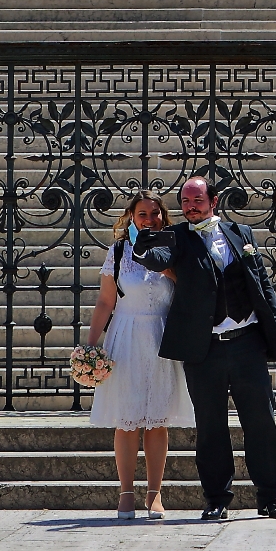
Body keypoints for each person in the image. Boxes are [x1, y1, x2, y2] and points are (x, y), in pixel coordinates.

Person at [135, 175, 276, 520]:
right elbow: (157, 259)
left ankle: (271, 497)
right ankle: (216, 499)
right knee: (210, 426)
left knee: (261, 422)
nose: (191, 207)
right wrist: (143, 244)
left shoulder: (241, 233)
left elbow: (262, 283)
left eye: (197, 200)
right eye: (185, 202)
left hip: (247, 342)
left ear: (213, 201)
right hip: (205, 349)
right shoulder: (177, 236)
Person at [83, 192, 194, 521]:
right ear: (131, 216)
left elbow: (191, 291)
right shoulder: (119, 251)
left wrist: (170, 269)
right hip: (126, 336)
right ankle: (126, 493)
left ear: (163, 216)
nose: (149, 219)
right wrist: (90, 345)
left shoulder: (174, 248)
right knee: (127, 420)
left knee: (157, 420)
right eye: (142, 213)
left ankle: (155, 493)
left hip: (162, 336)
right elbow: (106, 301)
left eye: (154, 213)